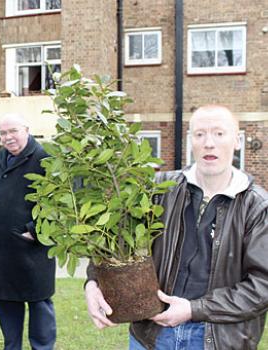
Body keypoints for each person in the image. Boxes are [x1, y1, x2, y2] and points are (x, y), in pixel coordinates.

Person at [85, 105, 268, 349]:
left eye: (219, 134)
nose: (209, 143)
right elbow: (115, 237)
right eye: (200, 134)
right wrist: (93, 282)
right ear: (191, 140)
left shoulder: (257, 207)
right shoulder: (159, 189)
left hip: (216, 339)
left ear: (237, 141)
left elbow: (262, 286)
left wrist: (194, 309)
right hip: (151, 335)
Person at [0, 113, 56, 350]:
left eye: (13, 131)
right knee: (5, 303)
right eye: (3, 133)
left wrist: (33, 232)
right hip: (0, 251)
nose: (8, 137)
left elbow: (56, 206)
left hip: (31, 252)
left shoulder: (45, 159)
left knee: (39, 305)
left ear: (27, 129)